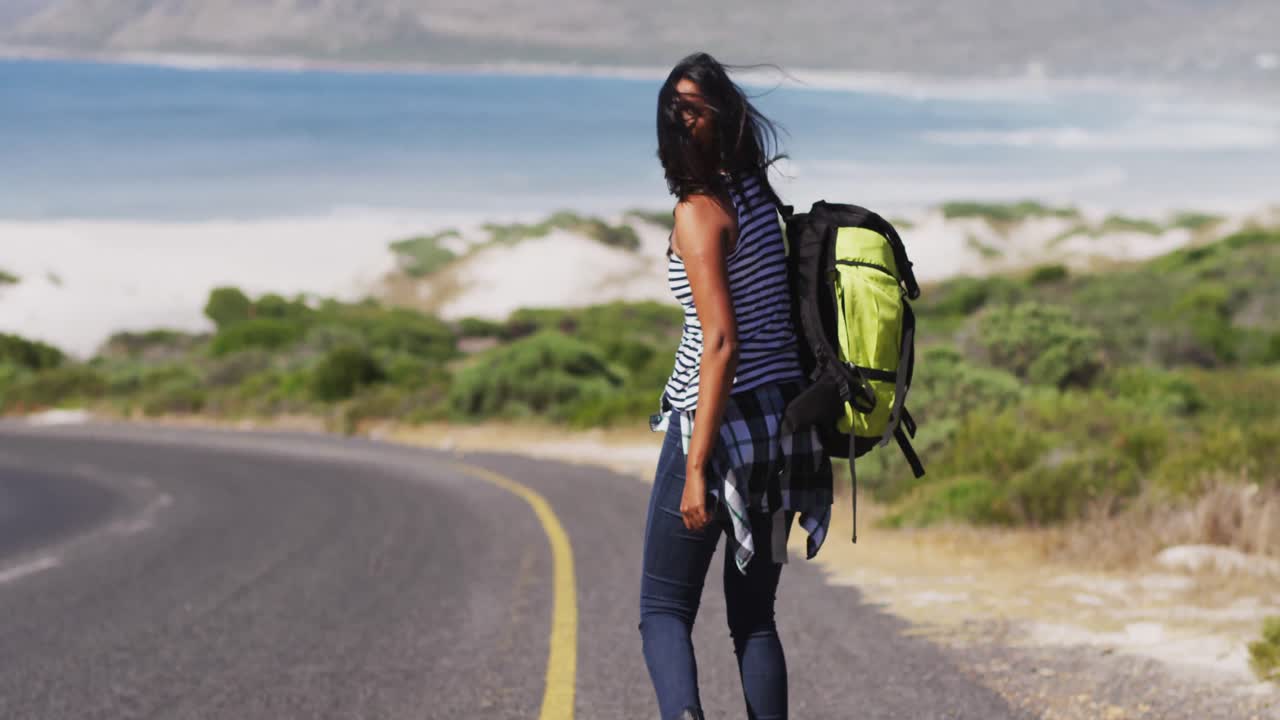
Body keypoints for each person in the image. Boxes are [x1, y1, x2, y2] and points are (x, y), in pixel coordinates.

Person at [639, 52, 834, 720]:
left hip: (717, 427)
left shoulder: (699, 213)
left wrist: (696, 470)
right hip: (787, 433)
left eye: (685, 112)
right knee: (755, 618)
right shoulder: (754, 190)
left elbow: (721, 342)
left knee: (662, 609)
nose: (680, 123)